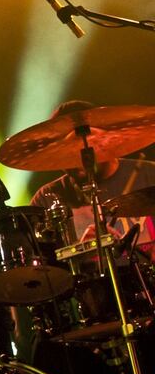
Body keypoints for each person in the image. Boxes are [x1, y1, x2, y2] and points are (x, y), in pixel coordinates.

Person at [30, 100, 155, 260]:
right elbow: (45, 273)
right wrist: (82, 253)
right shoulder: (46, 199)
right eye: (64, 155)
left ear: (104, 141)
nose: (73, 161)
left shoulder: (149, 174)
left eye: (80, 150)